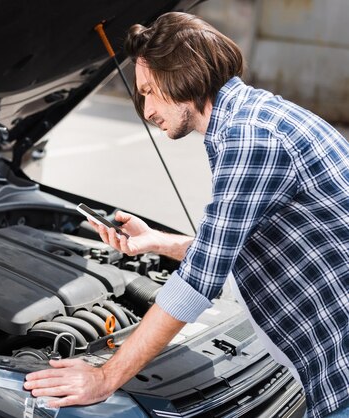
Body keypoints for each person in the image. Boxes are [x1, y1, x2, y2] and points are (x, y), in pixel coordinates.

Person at [24, 11, 349, 418]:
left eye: (147, 91)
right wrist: (158, 242)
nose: (146, 110)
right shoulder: (252, 118)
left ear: (181, 73)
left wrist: (105, 377)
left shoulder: (252, 139)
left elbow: (199, 281)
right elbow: (238, 247)